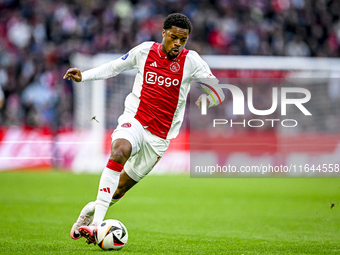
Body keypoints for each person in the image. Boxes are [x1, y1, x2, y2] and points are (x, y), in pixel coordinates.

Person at [63, 13, 224, 244]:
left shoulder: (192, 61)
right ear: (164, 33)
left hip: (159, 137)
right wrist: (84, 76)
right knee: (119, 150)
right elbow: (114, 67)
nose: (178, 43)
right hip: (135, 120)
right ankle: (97, 225)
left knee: (118, 191)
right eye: (174, 37)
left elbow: (218, 89)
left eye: (183, 39)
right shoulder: (144, 51)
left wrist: (209, 99)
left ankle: (88, 213)